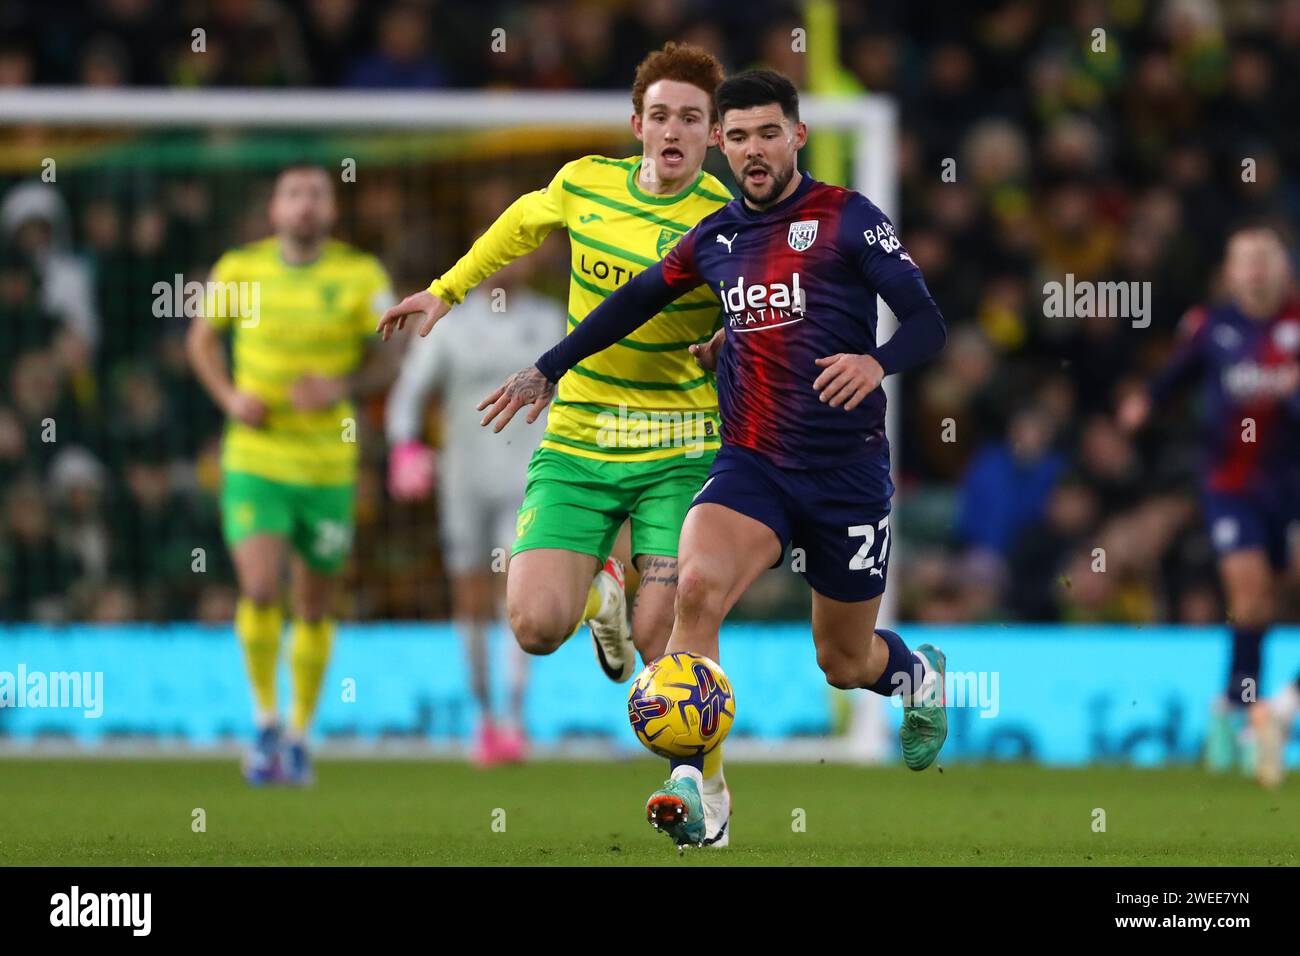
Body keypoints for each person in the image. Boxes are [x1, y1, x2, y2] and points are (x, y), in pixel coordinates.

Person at [481, 70, 950, 847]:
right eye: (738, 137)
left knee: (841, 660)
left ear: (797, 136)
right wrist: (549, 366)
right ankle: (696, 787)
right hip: (751, 464)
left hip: (846, 477)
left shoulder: (845, 218)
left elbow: (927, 321)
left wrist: (877, 363)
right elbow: (631, 301)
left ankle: (915, 675)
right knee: (693, 590)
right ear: (721, 147)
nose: (754, 150)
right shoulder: (718, 238)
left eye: (769, 133)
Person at [375, 43, 732, 695]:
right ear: (637, 126)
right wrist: (446, 290)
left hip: (676, 445)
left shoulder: (726, 223)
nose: (672, 130)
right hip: (579, 438)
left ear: (713, 133)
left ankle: (698, 787)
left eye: (689, 117)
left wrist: (729, 345)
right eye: (660, 116)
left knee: (660, 644)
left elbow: (759, 312)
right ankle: (604, 603)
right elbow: (519, 224)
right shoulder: (585, 183)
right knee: (536, 627)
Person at [187, 163, 397, 785]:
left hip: (329, 465)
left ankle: (302, 734)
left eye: (316, 195)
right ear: (274, 210)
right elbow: (200, 341)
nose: (304, 205)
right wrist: (229, 399)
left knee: (312, 601)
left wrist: (342, 386)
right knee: (257, 588)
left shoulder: (361, 276)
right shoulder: (239, 269)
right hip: (257, 459)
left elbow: (394, 357)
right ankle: (265, 721)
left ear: (331, 211)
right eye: (292, 194)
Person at [1119, 223, 1300, 789]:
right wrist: (1143, 405)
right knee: (1248, 593)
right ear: (1230, 270)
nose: (1256, 269)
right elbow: (1172, 380)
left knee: (1278, 594)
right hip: (1231, 486)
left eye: (1265, 257)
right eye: (1245, 259)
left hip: (1293, 484)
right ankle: (1251, 713)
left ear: (1283, 266)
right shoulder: (1212, 327)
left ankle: (1232, 703)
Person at [385, 240, 565, 765]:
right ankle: (483, 716)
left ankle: (514, 713)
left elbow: (577, 387)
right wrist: (405, 447)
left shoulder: (551, 319)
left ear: (535, 260)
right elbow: (409, 392)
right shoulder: (454, 324)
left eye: (522, 254)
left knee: (517, 590)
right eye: (502, 254)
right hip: (463, 479)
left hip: (528, 479)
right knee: (469, 594)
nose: (512, 264)